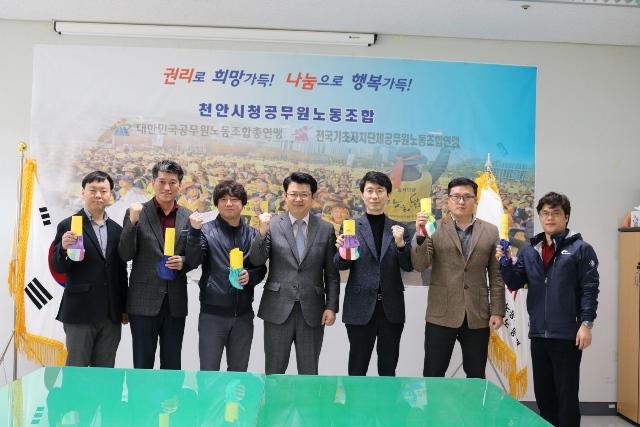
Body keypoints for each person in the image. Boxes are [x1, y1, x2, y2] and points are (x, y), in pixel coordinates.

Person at [496, 192, 599, 427]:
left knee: (566, 398)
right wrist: (505, 263)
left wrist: (586, 324)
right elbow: (514, 282)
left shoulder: (581, 249)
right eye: (545, 213)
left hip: (567, 334)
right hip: (538, 334)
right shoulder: (530, 250)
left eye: (556, 213)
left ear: (566, 217)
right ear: (540, 217)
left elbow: (590, 289)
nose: (550, 218)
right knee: (544, 398)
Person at [411, 177, 505, 378]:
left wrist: (497, 311)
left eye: (467, 197)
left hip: (477, 314)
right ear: (448, 200)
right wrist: (420, 236)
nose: (461, 201)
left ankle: (474, 402)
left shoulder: (490, 231)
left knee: (476, 375)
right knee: (433, 374)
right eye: (456, 197)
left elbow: (496, 275)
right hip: (441, 313)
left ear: (475, 200)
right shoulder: (433, 228)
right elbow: (419, 265)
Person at [249, 172, 340, 375]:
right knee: (274, 371)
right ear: (285, 196)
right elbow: (256, 260)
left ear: (313, 197)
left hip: (313, 310)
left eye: (304, 194)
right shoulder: (272, 225)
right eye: (293, 194)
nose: (298, 199)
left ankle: (308, 399)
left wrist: (331, 306)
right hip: (277, 307)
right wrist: (261, 233)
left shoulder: (326, 229)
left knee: (309, 372)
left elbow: (331, 274)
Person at [118, 160, 196, 370]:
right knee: (142, 364)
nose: (167, 187)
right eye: (162, 181)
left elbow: (196, 256)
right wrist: (132, 223)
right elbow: (125, 254)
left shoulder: (189, 217)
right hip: (142, 300)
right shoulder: (137, 212)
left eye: (172, 182)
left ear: (180, 185)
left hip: (175, 302)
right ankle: (141, 395)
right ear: (153, 183)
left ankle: (170, 395)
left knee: (172, 364)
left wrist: (184, 262)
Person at [334, 171, 413, 376]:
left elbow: (408, 266)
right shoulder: (351, 227)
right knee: (357, 368)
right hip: (359, 306)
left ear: (388, 195)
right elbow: (340, 266)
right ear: (362, 195)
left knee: (388, 368)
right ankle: (355, 399)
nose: (375, 196)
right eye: (370, 191)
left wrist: (401, 245)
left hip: (391, 308)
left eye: (380, 190)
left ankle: (387, 399)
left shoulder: (400, 229)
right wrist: (342, 253)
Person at [186, 180, 267, 371]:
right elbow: (193, 260)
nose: (229, 203)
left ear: (243, 203)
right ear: (217, 203)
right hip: (212, 315)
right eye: (223, 199)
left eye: (234, 199)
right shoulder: (205, 231)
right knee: (209, 373)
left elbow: (261, 267)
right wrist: (194, 233)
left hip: (243, 315)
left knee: (238, 375)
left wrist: (251, 276)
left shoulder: (253, 234)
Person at [52, 171, 128, 367]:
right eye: (92, 190)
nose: (98, 195)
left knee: (104, 373)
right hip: (80, 312)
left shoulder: (117, 230)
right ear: (83, 193)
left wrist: (123, 307)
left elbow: (120, 272)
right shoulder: (68, 225)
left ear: (110, 194)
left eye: (103, 191)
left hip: (110, 314)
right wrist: (63, 248)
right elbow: (58, 267)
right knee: (77, 370)